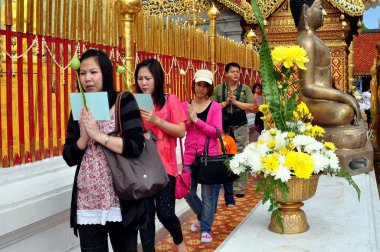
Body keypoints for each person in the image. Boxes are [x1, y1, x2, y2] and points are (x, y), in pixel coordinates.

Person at [62, 49, 147, 251]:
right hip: (88, 199)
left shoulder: (123, 101)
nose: (87, 78)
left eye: (93, 72)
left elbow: (136, 146)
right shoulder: (79, 108)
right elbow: (69, 157)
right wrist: (83, 138)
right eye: (82, 73)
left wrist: (98, 136)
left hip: (121, 197)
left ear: (105, 73)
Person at [135, 58, 187, 252]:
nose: (144, 83)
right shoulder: (135, 101)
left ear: (157, 78)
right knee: (145, 218)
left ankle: (179, 241)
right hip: (141, 167)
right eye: (140, 78)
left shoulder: (170, 99)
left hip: (166, 168)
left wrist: (156, 120)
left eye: (147, 78)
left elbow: (181, 131)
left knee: (165, 214)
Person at [181, 69, 222, 243]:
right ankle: (202, 216)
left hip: (208, 158)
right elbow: (181, 128)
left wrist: (198, 121)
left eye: (206, 85)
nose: (201, 88)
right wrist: (189, 120)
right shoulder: (185, 105)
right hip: (189, 155)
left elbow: (216, 132)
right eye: (199, 84)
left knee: (207, 196)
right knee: (187, 191)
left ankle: (206, 227)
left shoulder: (215, 107)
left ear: (210, 88)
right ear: (194, 84)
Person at [211, 62, 254, 198]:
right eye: (233, 71)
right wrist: (225, 103)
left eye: (238, 71)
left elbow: (253, 107)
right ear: (226, 73)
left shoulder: (245, 88)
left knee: (241, 155)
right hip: (223, 128)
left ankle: (239, 187)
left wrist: (235, 102)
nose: (236, 74)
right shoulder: (218, 89)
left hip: (240, 126)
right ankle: (225, 183)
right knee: (223, 154)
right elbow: (212, 107)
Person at [214, 115, 237, 212]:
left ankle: (230, 200)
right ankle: (213, 206)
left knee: (228, 185)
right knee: (215, 188)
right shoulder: (213, 138)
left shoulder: (230, 140)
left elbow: (233, 154)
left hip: (227, 166)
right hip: (216, 167)